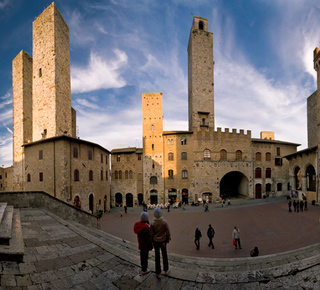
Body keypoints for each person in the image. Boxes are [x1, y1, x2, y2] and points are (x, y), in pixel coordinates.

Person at [150, 207, 171, 279]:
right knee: (164, 254)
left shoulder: (152, 223)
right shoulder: (164, 222)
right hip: (163, 241)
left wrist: (152, 241)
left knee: (157, 256)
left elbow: (151, 234)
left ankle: (158, 272)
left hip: (156, 241)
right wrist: (167, 240)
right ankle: (166, 270)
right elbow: (168, 232)